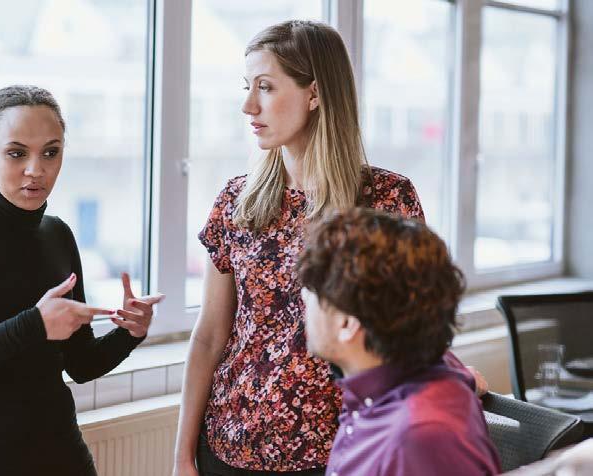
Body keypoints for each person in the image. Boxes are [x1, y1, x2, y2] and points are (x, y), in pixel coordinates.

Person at [172, 20, 490, 476]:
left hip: (342, 450)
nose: (248, 105)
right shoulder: (236, 200)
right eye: (247, 87)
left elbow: (410, 323)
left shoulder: (387, 199)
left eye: (265, 87)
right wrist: (182, 455)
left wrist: (452, 375)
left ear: (314, 93)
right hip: (228, 445)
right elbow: (208, 335)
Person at [0, 85, 163, 476]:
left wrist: (131, 332)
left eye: (51, 152)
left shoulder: (58, 233)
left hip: (64, 450)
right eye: (17, 153)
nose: (37, 169)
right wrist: (34, 323)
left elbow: (81, 364)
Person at [298, 208, 501, 476]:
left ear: (348, 324)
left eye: (311, 292)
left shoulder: (420, 439)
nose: (303, 298)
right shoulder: (404, 371)